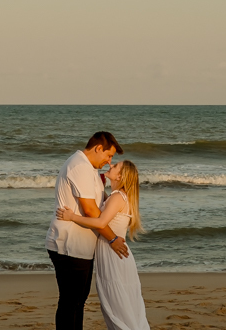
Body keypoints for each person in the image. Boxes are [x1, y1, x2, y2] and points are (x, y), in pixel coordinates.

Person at [46, 132, 129, 330]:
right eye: (109, 156)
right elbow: (91, 210)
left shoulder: (89, 168)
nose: (109, 161)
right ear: (98, 148)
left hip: (81, 246)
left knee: (77, 302)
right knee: (70, 302)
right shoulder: (80, 166)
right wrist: (113, 239)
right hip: (68, 245)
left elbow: (100, 204)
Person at [57, 159, 149, 330]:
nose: (111, 165)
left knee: (117, 306)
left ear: (120, 176)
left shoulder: (117, 197)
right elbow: (105, 209)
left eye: (115, 167)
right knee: (123, 305)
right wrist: (100, 187)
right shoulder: (120, 196)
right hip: (116, 254)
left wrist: (72, 217)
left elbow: (100, 222)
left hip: (113, 254)